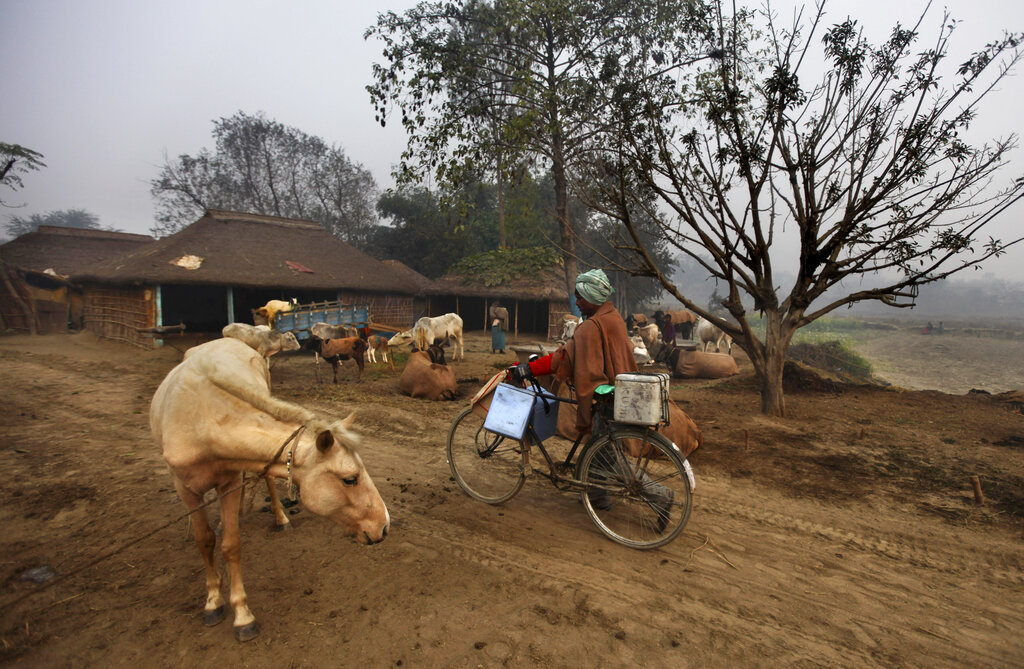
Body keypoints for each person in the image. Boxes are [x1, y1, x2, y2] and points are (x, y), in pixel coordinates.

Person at [509, 269, 672, 526]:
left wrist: (528, 368)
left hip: (607, 398)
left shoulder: (590, 328)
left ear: (593, 297)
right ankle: (598, 496)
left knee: (608, 455)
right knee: (597, 445)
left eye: (580, 297)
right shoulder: (612, 316)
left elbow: (562, 358)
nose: (577, 301)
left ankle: (660, 496)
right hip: (620, 394)